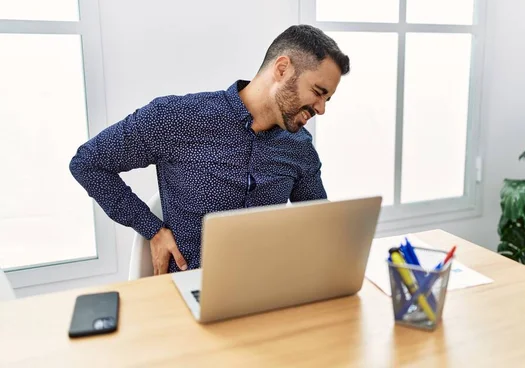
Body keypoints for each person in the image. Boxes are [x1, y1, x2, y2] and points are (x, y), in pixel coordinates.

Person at [70, 24, 350, 275]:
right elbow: (88, 163)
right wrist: (152, 230)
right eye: (318, 91)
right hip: (188, 294)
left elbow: (318, 226)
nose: (321, 109)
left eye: (328, 99)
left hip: (262, 293)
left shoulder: (299, 147)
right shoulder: (177, 118)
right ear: (282, 69)